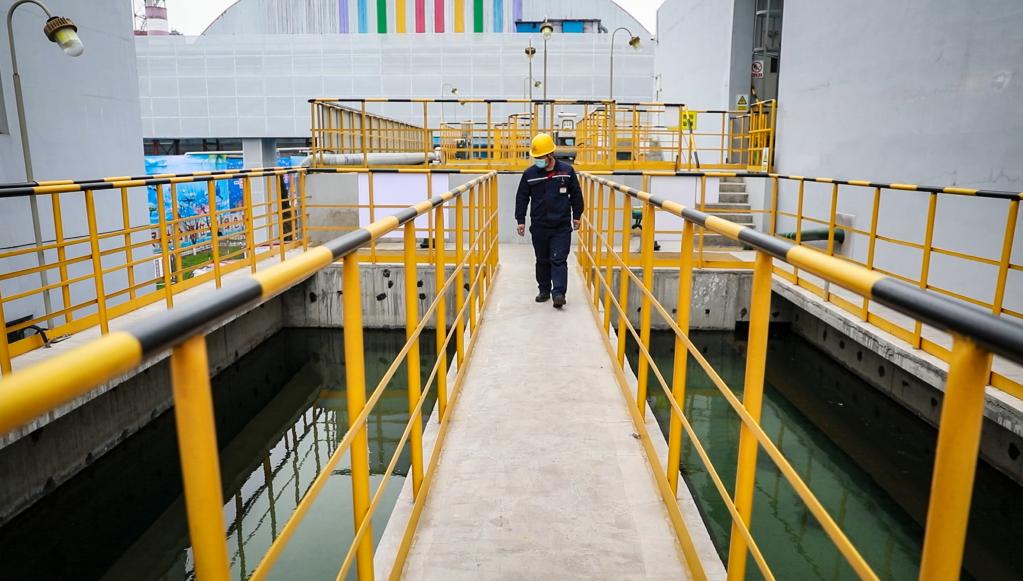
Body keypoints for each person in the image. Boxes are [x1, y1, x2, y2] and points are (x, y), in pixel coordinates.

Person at [515, 133, 584, 309]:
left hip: (561, 225)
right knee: (542, 260)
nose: (538, 160)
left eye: (541, 157)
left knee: (558, 259)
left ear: (550, 154)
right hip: (539, 226)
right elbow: (522, 197)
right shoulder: (530, 174)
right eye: (536, 157)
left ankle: (559, 293)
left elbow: (576, 194)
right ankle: (544, 290)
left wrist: (577, 216)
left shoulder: (567, 172)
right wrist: (520, 220)